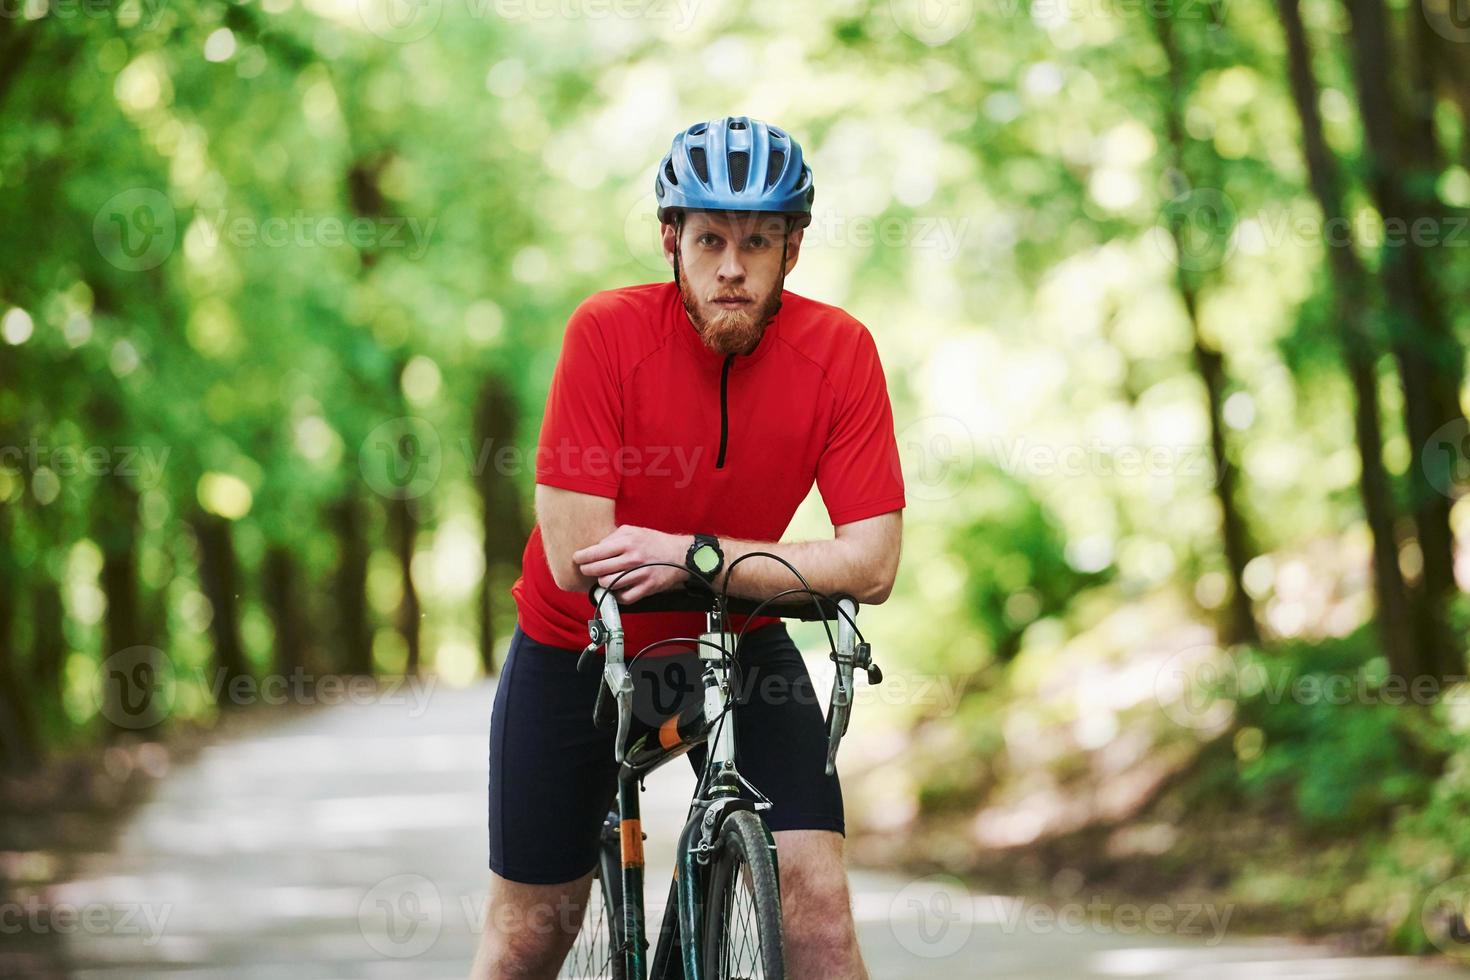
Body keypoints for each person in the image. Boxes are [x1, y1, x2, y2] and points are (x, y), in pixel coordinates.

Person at [470, 115, 905, 979]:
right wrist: (752, 566)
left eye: (759, 241)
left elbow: (875, 560)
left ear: (794, 248)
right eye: (710, 240)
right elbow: (576, 557)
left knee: (817, 911)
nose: (733, 268)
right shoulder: (606, 334)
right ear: (671, 240)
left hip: (739, 638)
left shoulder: (841, 353)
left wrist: (696, 557)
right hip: (580, 649)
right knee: (529, 935)